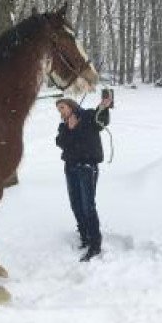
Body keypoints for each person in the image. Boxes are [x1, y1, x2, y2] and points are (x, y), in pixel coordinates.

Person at [55, 96, 112, 262]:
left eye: (63, 107)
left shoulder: (87, 116)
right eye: (59, 109)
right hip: (71, 168)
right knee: (76, 204)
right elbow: (60, 142)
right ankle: (85, 236)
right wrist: (70, 129)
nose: (61, 111)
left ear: (71, 106)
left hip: (87, 167)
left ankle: (95, 243)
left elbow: (101, 122)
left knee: (88, 206)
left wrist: (103, 107)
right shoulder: (63, 126)